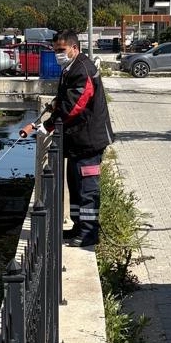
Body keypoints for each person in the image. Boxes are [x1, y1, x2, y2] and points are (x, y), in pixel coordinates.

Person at [38, 29, 115, 247]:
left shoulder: (82, 69)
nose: (57, 54)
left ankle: (89, 233)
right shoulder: (70, 68)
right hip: (77, 141)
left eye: (61, 50)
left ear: (74, 47)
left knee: (87, 188)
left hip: (89, 141)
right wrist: (56, 103)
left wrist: (49, 125)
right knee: (75, 185)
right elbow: (67, 97)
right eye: (55, 50)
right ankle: (78, 226)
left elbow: (75, 105)